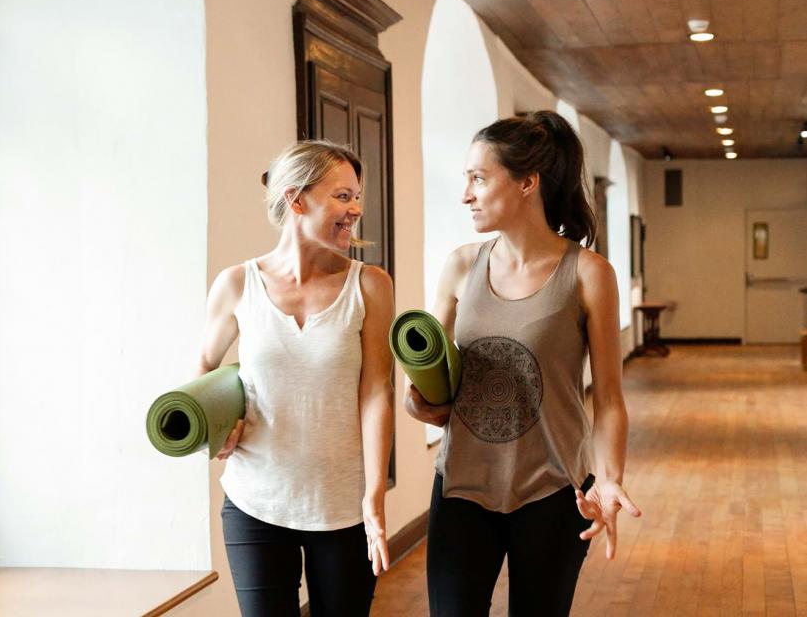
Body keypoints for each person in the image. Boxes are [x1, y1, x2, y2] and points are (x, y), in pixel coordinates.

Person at [406, 111, 642, 616]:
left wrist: (609, 476)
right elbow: (434, 375)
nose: (466, 194)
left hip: (554, 492)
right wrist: (420, 400)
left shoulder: (588, 273)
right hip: (463, 487)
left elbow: (610, 400)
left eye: (478, 178)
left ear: (526, 183)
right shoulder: (459, 267)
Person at [196, 140, 394, 616]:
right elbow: (203, 369)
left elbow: (375, 392)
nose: (356, 209)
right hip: (254, 502)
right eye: (343, 196)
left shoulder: (370, 284)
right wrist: (217, 431)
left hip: (344, 509)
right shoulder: (237, 284)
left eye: (356, 196)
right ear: (296, 199)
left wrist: (373, 497)